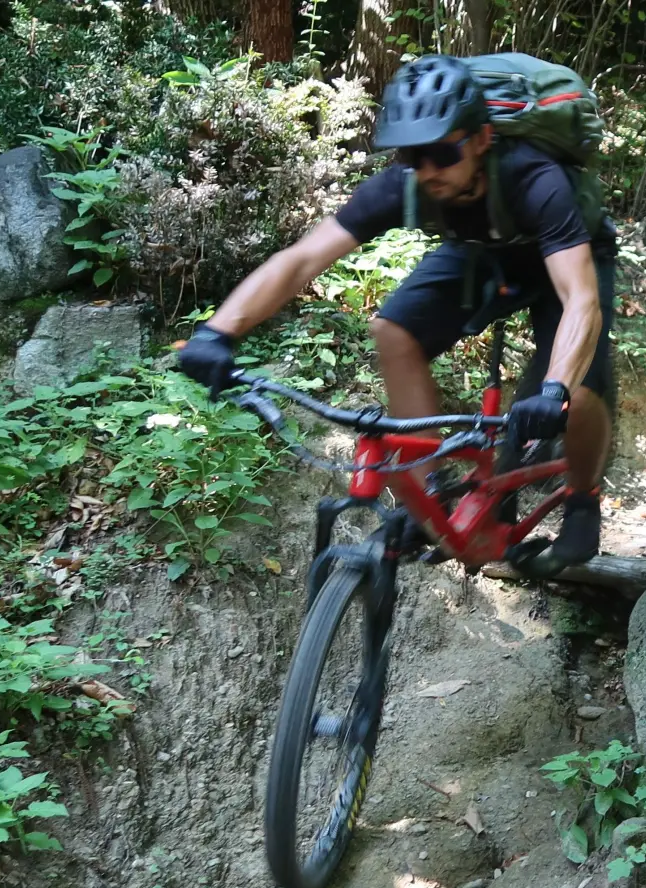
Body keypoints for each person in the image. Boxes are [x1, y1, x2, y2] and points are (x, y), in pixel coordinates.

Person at [177, 54, 618, 568]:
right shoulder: (403, 183)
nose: (427, 169)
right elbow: (300, 260)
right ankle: (425, 486)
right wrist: (218, 332)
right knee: (393, 330)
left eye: (442, 151)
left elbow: (580, 299)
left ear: (479, 139)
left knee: (581, 391)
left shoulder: (534, 177)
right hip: (479, 253)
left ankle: (583, 502)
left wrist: (554, 389)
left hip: (567, 260)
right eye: (413, 154)